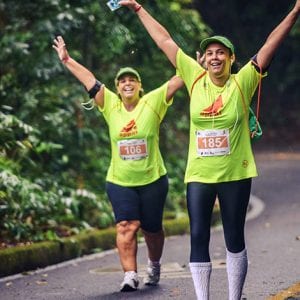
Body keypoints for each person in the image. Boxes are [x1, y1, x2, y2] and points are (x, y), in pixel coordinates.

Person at [119, 1, 300, 299]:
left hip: (235, 174)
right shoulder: (194, 76)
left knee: (233, 237)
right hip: (199, 174)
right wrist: (139, 8)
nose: (215, 57)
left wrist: (294, 12)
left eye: (221, 53)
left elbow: (270, 44)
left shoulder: (244, 80)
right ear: (203, 59)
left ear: (231, 58)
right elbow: (164, 40)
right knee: (199, 236)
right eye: (210, 53)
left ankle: (233, 296)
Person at [52, 36, 184, 292]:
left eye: (132, 80)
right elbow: (89, 79)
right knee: (126, 225)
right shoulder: (110, 104)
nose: (127, 83)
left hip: (153, 180)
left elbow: (180, 78)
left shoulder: (153, 101)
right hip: (120, 180)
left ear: (139, 86)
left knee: (152, 230)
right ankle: (130, 275)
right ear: (117, 87)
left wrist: (194, 65)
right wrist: (67, 60)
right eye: (122, 80)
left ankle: (154, 265)